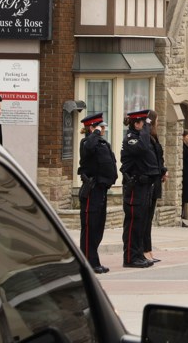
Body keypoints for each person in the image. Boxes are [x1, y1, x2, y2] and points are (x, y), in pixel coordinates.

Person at [77, 113, 117, 274]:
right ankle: (88, 263)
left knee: (98, 227)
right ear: (92, 127)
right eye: (100, 127)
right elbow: (88, 148)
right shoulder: (87, 142)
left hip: (101, 189)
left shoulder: (101, 143)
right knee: (90, 227)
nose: (103, 129)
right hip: (91, 190)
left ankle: (94, 260)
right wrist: (93, 133)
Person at [120, 109, 160, 268]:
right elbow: (143, 148)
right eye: (144, 124)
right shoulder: (131, 139)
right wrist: (145, 129)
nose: (147, 128)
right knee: (133, 224)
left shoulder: (141, 138)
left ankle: (137, 255)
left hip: (144, 187)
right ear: (137, 124)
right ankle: (130, 257)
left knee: (141, 224)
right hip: (134, 187)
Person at [142, 110, 167, 263]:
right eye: (156, 121)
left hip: (156, 181)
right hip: (148, 184)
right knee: (145, 219)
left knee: (149, 218)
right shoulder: (146, 139)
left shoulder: (154, 138)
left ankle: (148, 250)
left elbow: (158, 159)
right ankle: (144, 251)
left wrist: (163, 170)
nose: (158, 123)